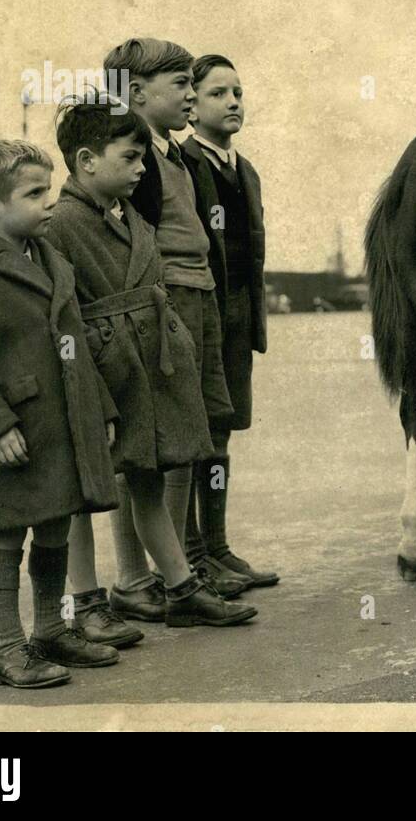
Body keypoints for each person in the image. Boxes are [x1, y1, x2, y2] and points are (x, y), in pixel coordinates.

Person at [45, 98, 256, 633]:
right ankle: (88, 604)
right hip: (100, 372)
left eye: (144, 158)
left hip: (145, 367)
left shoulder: (131, 214)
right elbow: (61, 321)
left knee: (147, 482)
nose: (143, 169)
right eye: (132, 158)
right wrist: (93, 389)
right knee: (81, 492)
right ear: (88, 160)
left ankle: (182, 589)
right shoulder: (62, 225)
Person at [0, 138, 120, 687]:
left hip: (60, 428)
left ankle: (51, 632)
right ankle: (8, 649)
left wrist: (99, 407)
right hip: (11, 433)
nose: (50, 202)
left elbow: (76, 342)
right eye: (35, 194)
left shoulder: (51, 259)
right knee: (8, 535)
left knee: (55, 527)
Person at [104, 37, 249, 606]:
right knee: (152, 447)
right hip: (168, 303)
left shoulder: (168, 153)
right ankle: (153, 578)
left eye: (195, 84)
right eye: (182, 85)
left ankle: (183, 568)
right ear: (137, 94)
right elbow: (131, 248)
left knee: (193, 435)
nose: (192, 95)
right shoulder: (135, 161)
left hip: (198, 294)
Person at [181, 54, 277, 588]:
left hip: (236, 319)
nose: (234, 101)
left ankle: (217, 547)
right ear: (191, 107)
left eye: (238, 91)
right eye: (219, 93)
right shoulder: (182, 165)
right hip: (198, 319)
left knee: (221, 434)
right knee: (194, 435)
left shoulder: (246, 171)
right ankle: (193, 555)